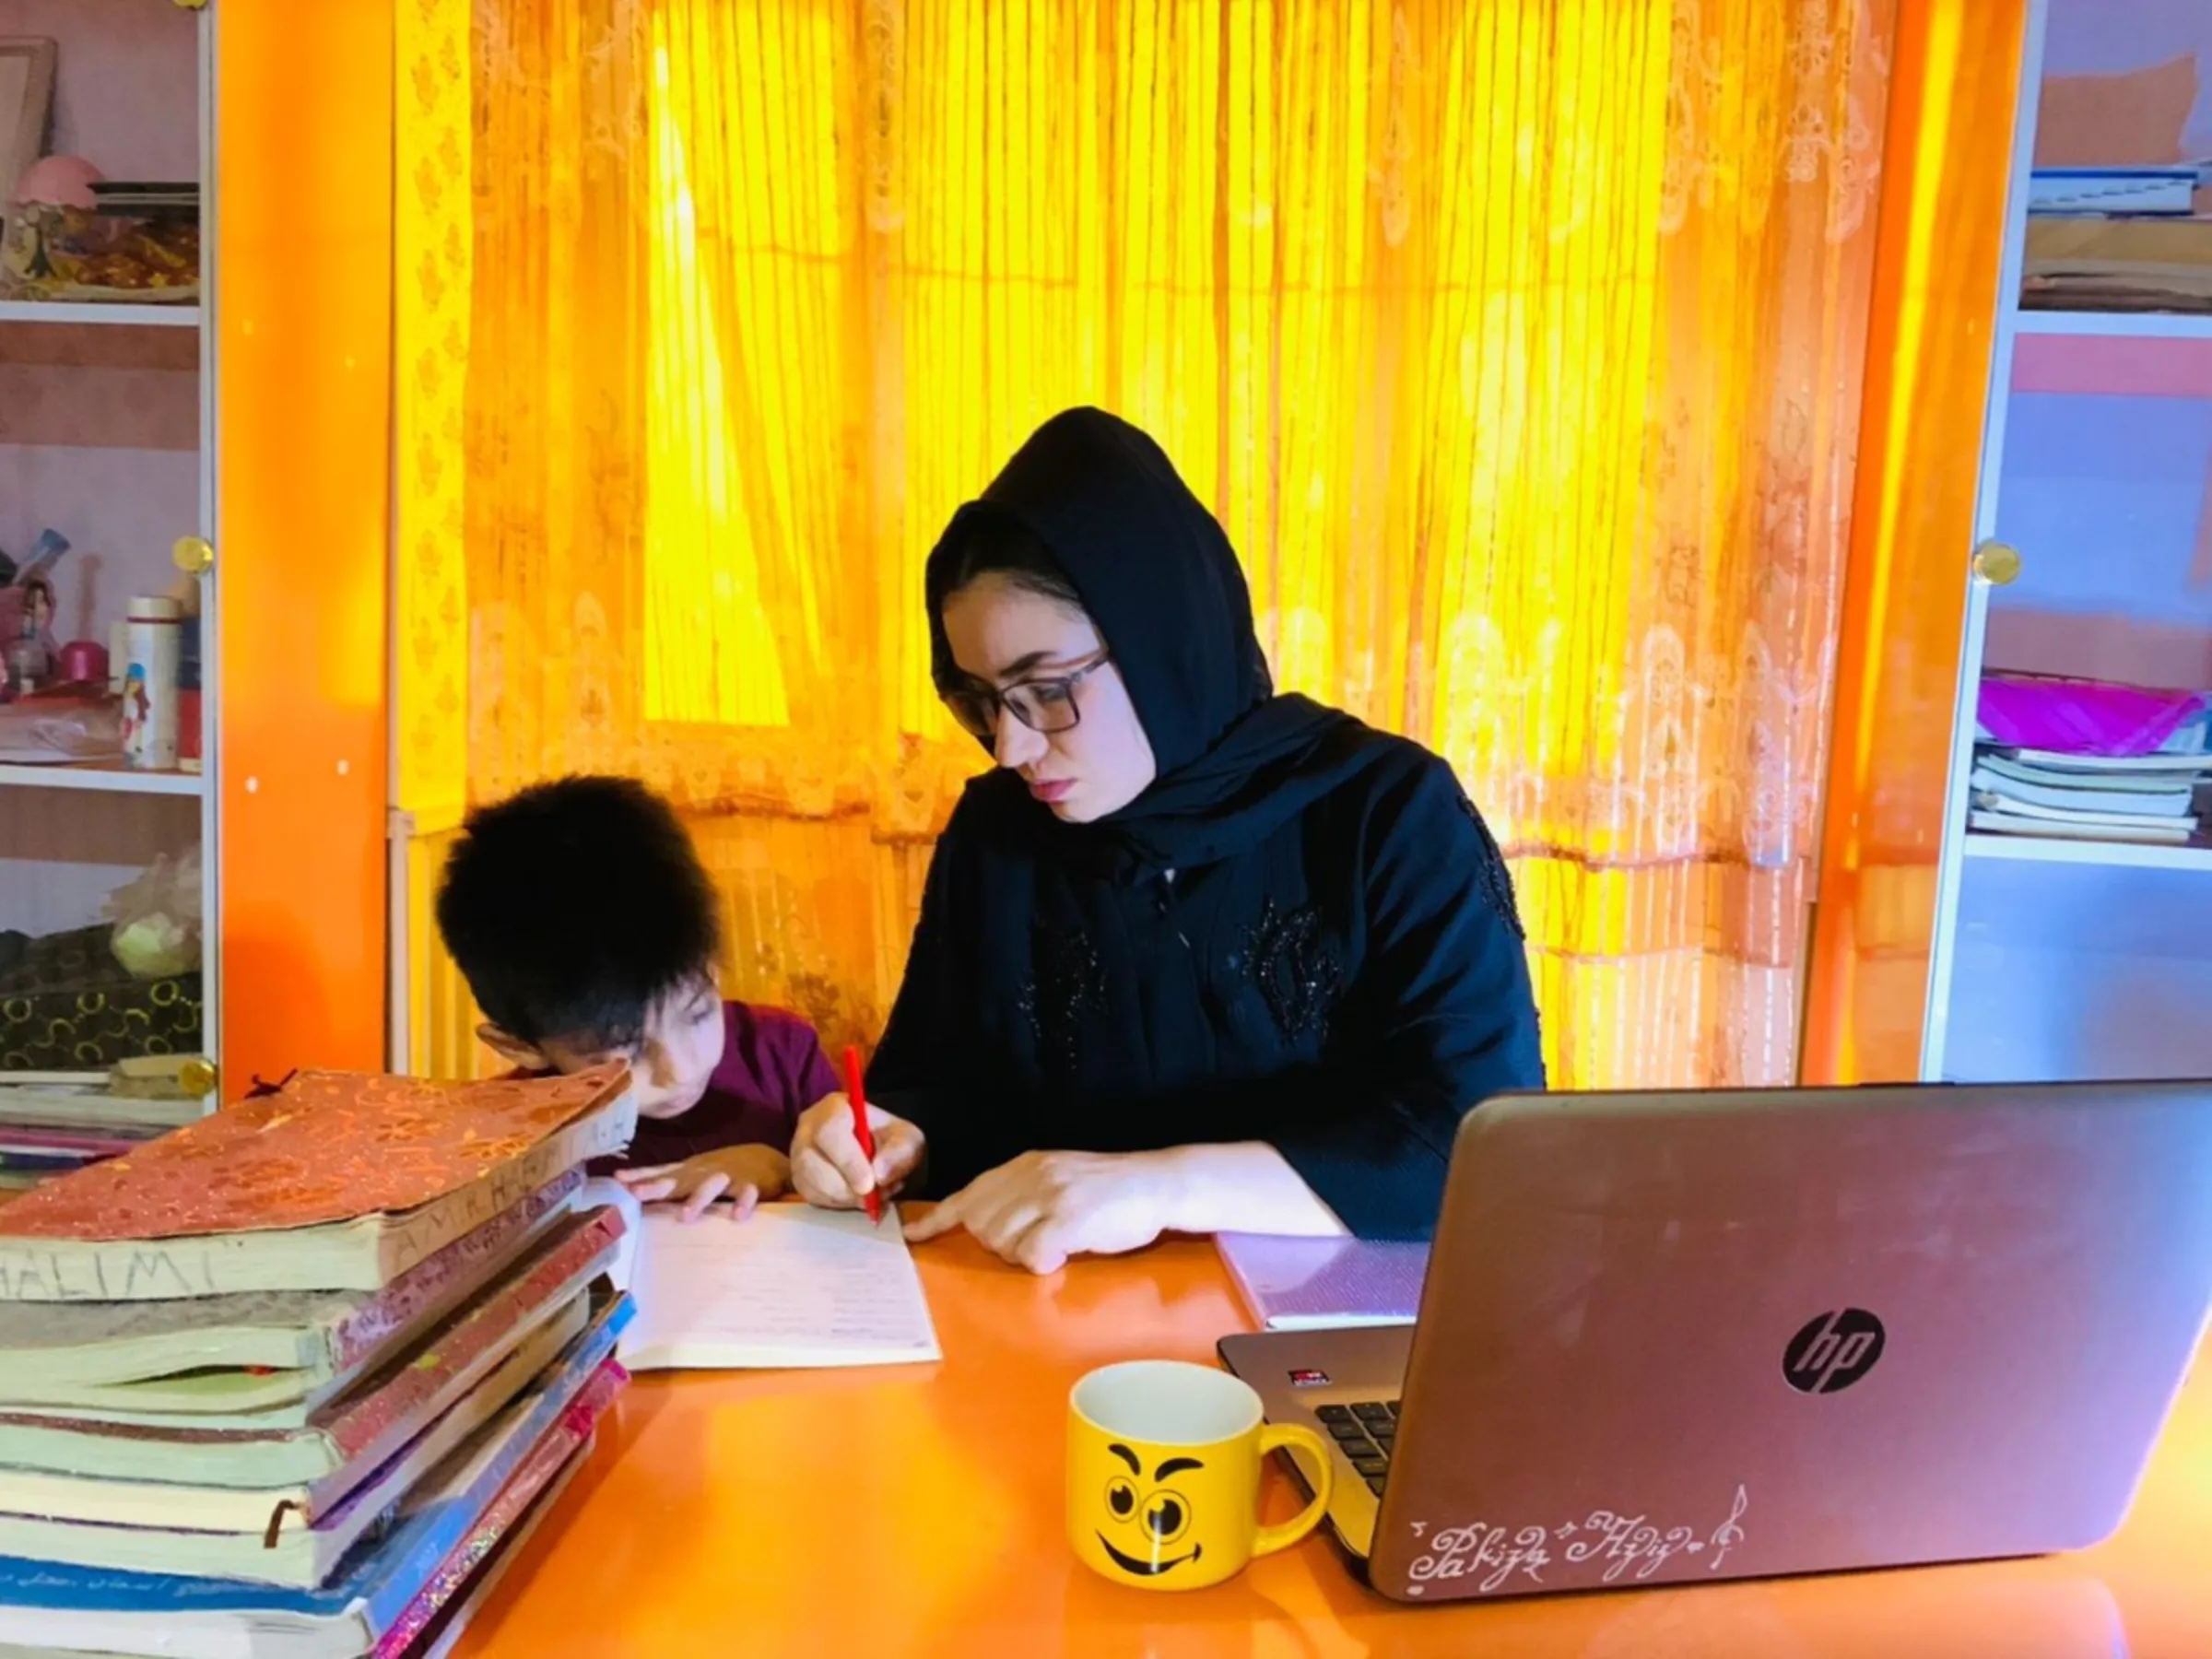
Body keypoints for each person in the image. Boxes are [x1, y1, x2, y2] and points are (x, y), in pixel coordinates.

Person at [790, 406, 1544, 1271]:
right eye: (982, 699)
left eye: (1044, 689)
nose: (1012, 745)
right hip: (1053, 1325)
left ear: (1163, 643)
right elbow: (941, 1086)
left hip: (1330, 1337)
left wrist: (1158, 1187)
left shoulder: (1386, 813)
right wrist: (882, 1136)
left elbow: (1479, 1138)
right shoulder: (1000, 835)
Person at [436, 775, 841, 1224]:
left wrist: (785, 1170)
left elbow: (869, 1202)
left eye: (699, 1013)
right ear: (521, 1046)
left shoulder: (783, 1055)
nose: (680, 1070)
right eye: (625, 1050)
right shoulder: (507, 1139)